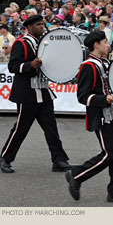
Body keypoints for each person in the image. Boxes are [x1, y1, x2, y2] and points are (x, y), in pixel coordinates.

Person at [65, 30, 113, 203]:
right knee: (109, 154)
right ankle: (76, 175)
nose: (108, 44)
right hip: (102, 117)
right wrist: (104, 99)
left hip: (112, 116)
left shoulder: (104, 63)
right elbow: (83, 96)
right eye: (105, 42)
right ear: (96, 45)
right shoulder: (88, 66)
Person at [0, 15, 70, 173]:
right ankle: (5, 158)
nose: (41, 27)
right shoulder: (21, 43)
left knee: (51, 128)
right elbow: (13, 67)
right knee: (21, 128)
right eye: (38, 25)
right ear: (29, 26)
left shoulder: (44, 42)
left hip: (43, 91)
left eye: (42, 24)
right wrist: (30, 65)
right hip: (27, 93)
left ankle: (59, 160)